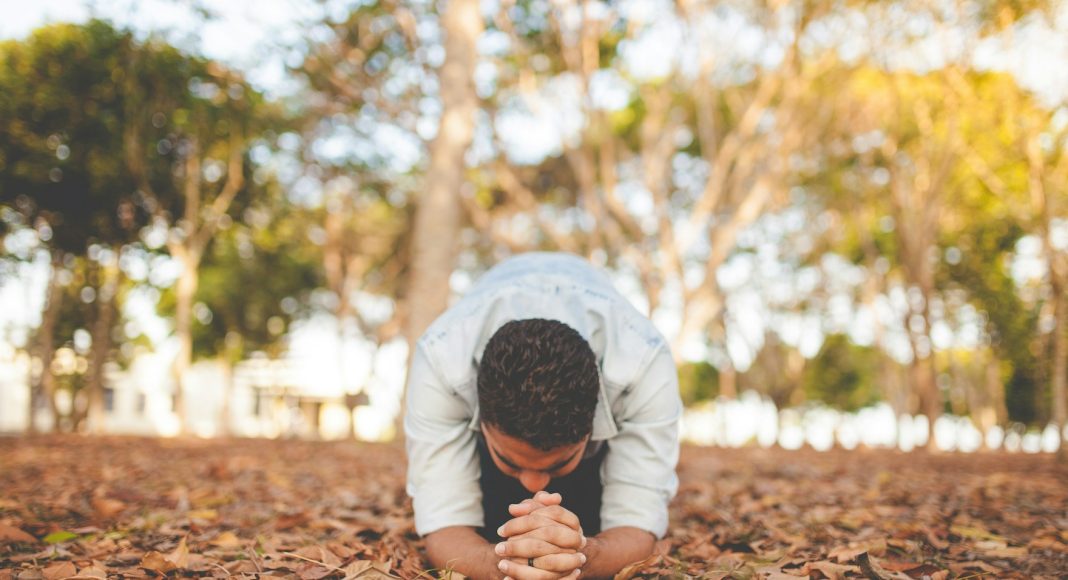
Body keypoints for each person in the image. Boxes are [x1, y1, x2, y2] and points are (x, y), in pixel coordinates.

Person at [404, 252, 682, 579]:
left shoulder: (643, 362)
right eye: (511, 461)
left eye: (558, 464)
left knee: (587, 515)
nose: (534, 484)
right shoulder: (442, 361)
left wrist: (581, 556)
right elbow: (444, 525)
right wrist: (505, 564)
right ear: (482, 422)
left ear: (592, 427)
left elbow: (638, 525)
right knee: (495, 517)